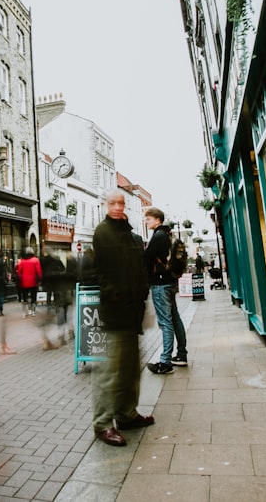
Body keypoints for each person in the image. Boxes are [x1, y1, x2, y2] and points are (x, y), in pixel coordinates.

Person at [88, 191, 154, 447]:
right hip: (114, 313)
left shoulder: (130, 235)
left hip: (132, 312)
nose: (117, 207)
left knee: (129, 370)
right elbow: (98, 271)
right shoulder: (102, 232)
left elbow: (139, 270)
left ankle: (127, 414)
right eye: (112, 203)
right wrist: (113, 295)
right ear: (105, 205)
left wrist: (142, 292)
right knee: (108, 372)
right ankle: (103, 424)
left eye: (121, 203)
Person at [143, 207, 186, 373]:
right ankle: (181, 355)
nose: (146, 222)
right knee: (175, 319)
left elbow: (146, 259)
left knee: (165, 322)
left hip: (160, 284)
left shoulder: (158, 236)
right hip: (171, 282)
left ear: (157, 220)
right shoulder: (169, 235)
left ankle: (165, 362)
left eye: (148, 219)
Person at [14, 247, 42, 318]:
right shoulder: (36, 260)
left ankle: (25, 312)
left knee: (25, 297)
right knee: (33, 297)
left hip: (24, 282)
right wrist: (39, 280)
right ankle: (33, 311)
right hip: (33, 282)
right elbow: (39, 271)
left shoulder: (22, 261)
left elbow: (19, 271)